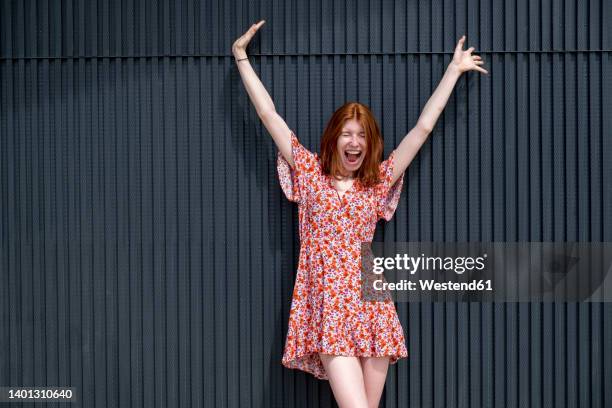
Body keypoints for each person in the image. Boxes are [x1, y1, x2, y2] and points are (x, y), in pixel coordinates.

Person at [233, 20, 487, 408]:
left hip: (373, 302)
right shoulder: (309, 172)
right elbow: (269, 116)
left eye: (363, 135)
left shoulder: (378, 180)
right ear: (334, 136)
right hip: (328, 306)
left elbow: (422, 129)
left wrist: (453, 72)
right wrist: (241, 58)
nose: (355, 142)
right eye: (348, 133)